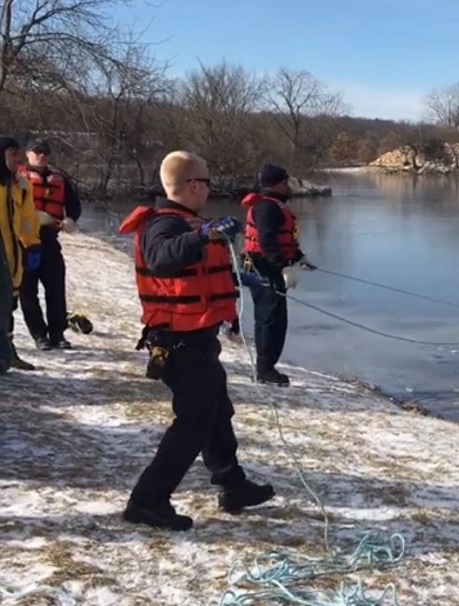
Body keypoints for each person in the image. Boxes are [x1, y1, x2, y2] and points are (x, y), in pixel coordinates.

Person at [117, 150, 274, 531]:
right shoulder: (162, 224)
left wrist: (236, 279)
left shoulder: (188, 223)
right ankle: (147, 500)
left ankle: (232, 485)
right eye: (206, 182)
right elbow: (161, 258)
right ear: (191, 185)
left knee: (217, 411)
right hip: (177, 343)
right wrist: (202, 235)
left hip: (199, 339)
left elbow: (195, 275)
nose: (209, 189)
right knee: (194, 421)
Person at [240, 163, 315, 387]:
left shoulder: (271, 206)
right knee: (271, 320)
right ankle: (265, 370)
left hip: (264, 268)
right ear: (277, 184)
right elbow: (267, 242)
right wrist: (281, 266)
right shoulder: (268, 208)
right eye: (285, 182)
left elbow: (282, 240)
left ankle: (266, 367)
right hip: (264, 270)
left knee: (273, 318)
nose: (288, 186)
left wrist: (299, 257)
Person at [18, 137, 82, 350]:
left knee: (56, 288)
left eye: (45, 152)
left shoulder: (59, 178)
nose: (41, 156)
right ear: (27, 153)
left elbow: (73, 204)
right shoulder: (17, 177)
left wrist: (71, 219)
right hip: (25, 241)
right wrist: (32, 216)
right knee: (28, 291)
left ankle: (57, 334)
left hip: (49, 240)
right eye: (36, 152)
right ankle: (39, 335)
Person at [0, 136, 41, 373]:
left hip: (13, 253)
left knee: (9, 303)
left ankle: (8, 352)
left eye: (18, 154)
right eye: (12, 154)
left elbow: (28, 218)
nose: (18, 159)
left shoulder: (22, 185)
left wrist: (32, 244)